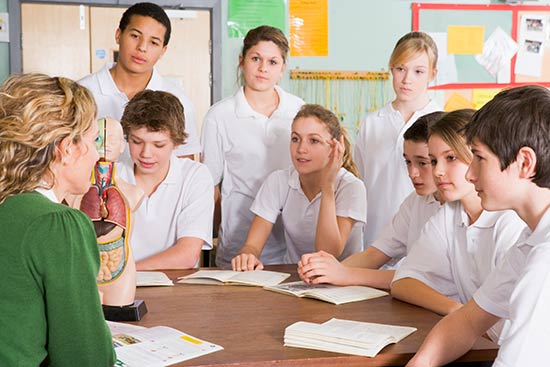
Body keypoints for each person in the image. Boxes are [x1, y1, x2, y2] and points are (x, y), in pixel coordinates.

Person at [406, 85, 550, 367]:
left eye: (480, 158)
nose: (470, 174)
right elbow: (467, 321)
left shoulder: (544, 262)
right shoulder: (530, 239)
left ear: (524, 163)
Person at [0, 73, 115, 365]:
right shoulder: (58, 226)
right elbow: (86, 358)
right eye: (93, 140)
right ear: (67, 148)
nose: (96, 156)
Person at [390, 109, 526, 343]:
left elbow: (516, 320)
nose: (438, 171)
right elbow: (403, 282)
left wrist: (468, 317)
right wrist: (460, 312)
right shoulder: (451, 213)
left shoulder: (510, 221)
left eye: (450, 158)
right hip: (478, 343)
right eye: (433, 161)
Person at [298, 111, 446, 290]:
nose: (412, 173)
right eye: (407, 162)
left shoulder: (459, 210)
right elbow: (375, 254)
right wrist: (325, 270)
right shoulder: (414, 202)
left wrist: (344, 274)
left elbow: (421, 278)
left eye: (423, 163)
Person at [201, 25, 304, 268]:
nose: (263, 68)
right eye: (256, 58)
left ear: (282, 68)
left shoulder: (298, 110)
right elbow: (211, 185)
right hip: (240, 241)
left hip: (292, 242)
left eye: (272, 62)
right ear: (242, 61)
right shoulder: (219, 116)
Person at [231, 104, 366, 271]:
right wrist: (247, 255)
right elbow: (252, 245)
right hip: (296, 279)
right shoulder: (278, 181)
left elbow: (328, 253)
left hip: (343, 285)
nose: (301, 149)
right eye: (295, 139)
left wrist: (328, 187)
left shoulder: (352, 187)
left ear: (335, 147)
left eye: (314, 141)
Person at [78, 2, 200, 159]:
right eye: (135, 36)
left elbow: (184, 165)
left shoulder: (179, 101)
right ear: (118, 35)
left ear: (163, 50)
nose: (142, 47)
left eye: (153, 42)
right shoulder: (81, 94)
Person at [355, 31, 441, 247]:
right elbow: (359, 184)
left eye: (418, 71)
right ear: (391, 69)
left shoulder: (442, 125)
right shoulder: (372, 123)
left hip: (426, 239)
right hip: (375, 239)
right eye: (400, 69)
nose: (407, 79)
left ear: (432, 73)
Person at [117, 89, 214, 270]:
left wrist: (126, 273)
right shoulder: (112, 176)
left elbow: (187, 254)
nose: (146, 154)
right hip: (119, 289)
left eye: (158, 145)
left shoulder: (195, 177)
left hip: (174, 287)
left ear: (176, 143)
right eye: (137, 142)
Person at [66, 117, 144, 306]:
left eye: (113, 140)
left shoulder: (133, 193)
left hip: (120, 262)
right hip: (86, 266)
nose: (106, 145)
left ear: (123, 146)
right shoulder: (72, 192)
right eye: (99, 139)